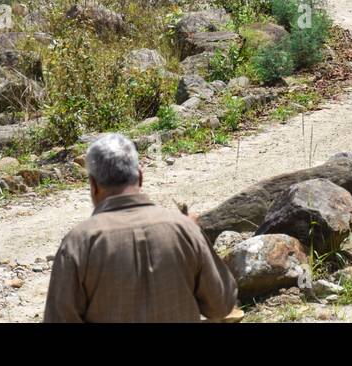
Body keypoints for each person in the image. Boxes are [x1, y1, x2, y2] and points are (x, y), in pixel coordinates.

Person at [43, 132, 237, 323]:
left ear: (93, 185)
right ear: (140, 177)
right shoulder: (184, 230)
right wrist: (196, 234)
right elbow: (221, 304)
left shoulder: (78, 243)